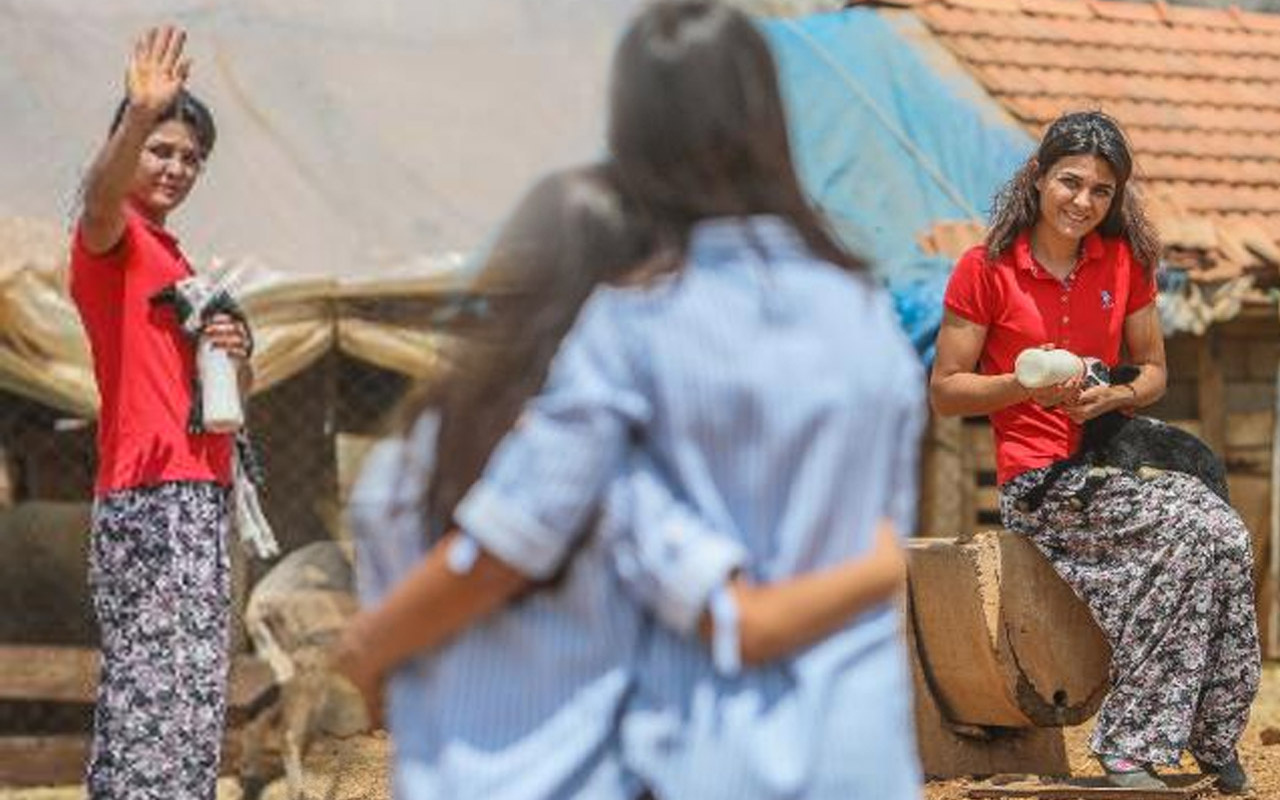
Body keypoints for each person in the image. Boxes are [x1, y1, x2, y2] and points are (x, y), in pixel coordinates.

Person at [339, 3, 927, 798]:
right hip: (865, 751)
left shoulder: (636, 326)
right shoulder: (868, 317)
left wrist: (372, 648)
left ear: (637, 137)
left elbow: (517, 536)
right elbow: (884, 538)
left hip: (711, 752)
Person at [931, 110, 1259, 794]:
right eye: (1070, 182)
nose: (1082, 201)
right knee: (1194, 531)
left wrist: (1109, 397)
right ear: (1039, 178)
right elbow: (946, 392)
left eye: (1101, 191)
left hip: (1113, 463)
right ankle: (1130, 744)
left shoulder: (1124, 261)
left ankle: (1212, 733)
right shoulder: (986, 268)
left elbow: (1154, 373)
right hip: (1040, 484)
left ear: (1116, 199)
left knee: (1225, 533)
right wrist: (1020, 383)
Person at [69, 26, 252, 798]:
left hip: (195, 493)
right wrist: (139, 116)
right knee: (158, 697)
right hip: (153, 500)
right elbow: (97, 196)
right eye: (161, 150)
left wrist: (233, 349)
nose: (175, 167)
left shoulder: (175, 259)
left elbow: (209, 402)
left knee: (186, 700)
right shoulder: (113, 240)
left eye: (189, 158)